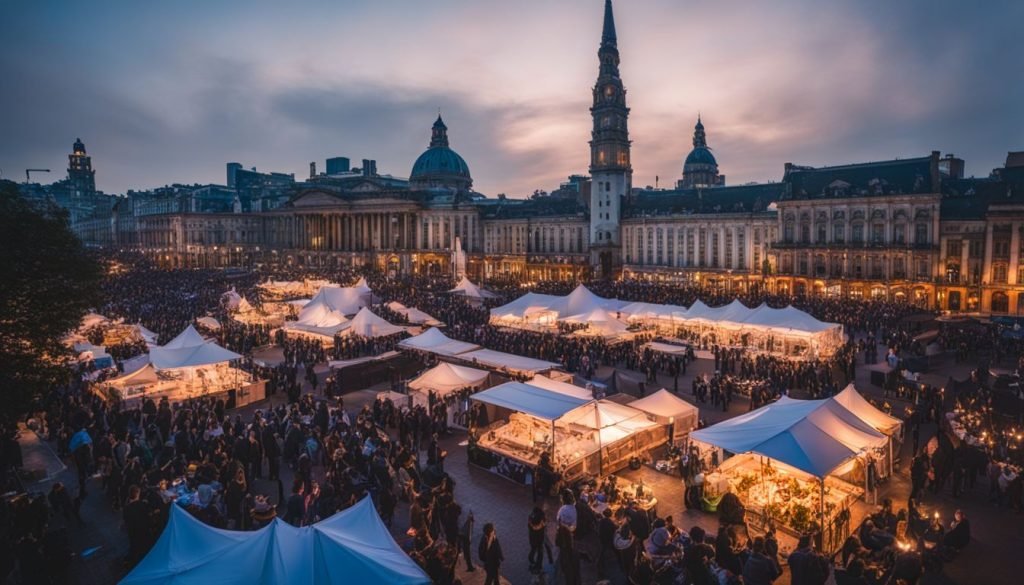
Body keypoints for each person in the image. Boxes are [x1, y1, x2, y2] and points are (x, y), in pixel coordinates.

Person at [527, 507, 552, 573]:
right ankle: (539, 565)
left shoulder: (530, 518)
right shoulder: (541, 520)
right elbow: (544, 524)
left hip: (532, 538)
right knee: (540, 552)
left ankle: (531, 558)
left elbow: (530, 526)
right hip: (539, 538)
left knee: (533, 549)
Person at [459, 508, 475, 572]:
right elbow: (468, 534)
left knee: (467, 554)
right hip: (466, 541)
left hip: (465, 540)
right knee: (467, 554)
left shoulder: (468, 523)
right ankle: (470, 567)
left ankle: (470, 566)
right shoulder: (469, 524)